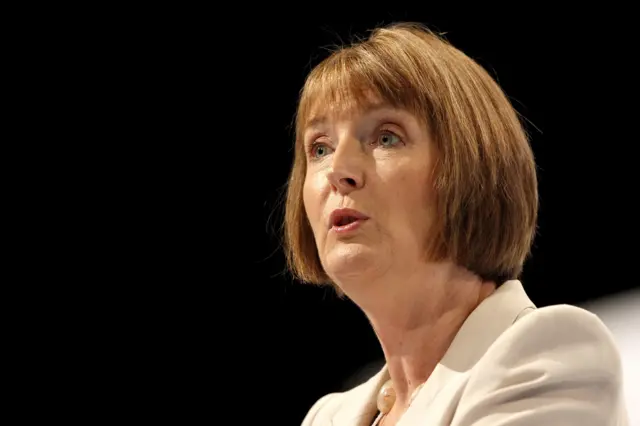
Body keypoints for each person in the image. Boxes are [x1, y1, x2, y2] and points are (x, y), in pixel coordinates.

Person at [283, 22, 628, 426]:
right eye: (319, 148)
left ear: (470, 169)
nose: (337, 170)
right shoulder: (328, 417)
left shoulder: (549, 356)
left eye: (386, 137)